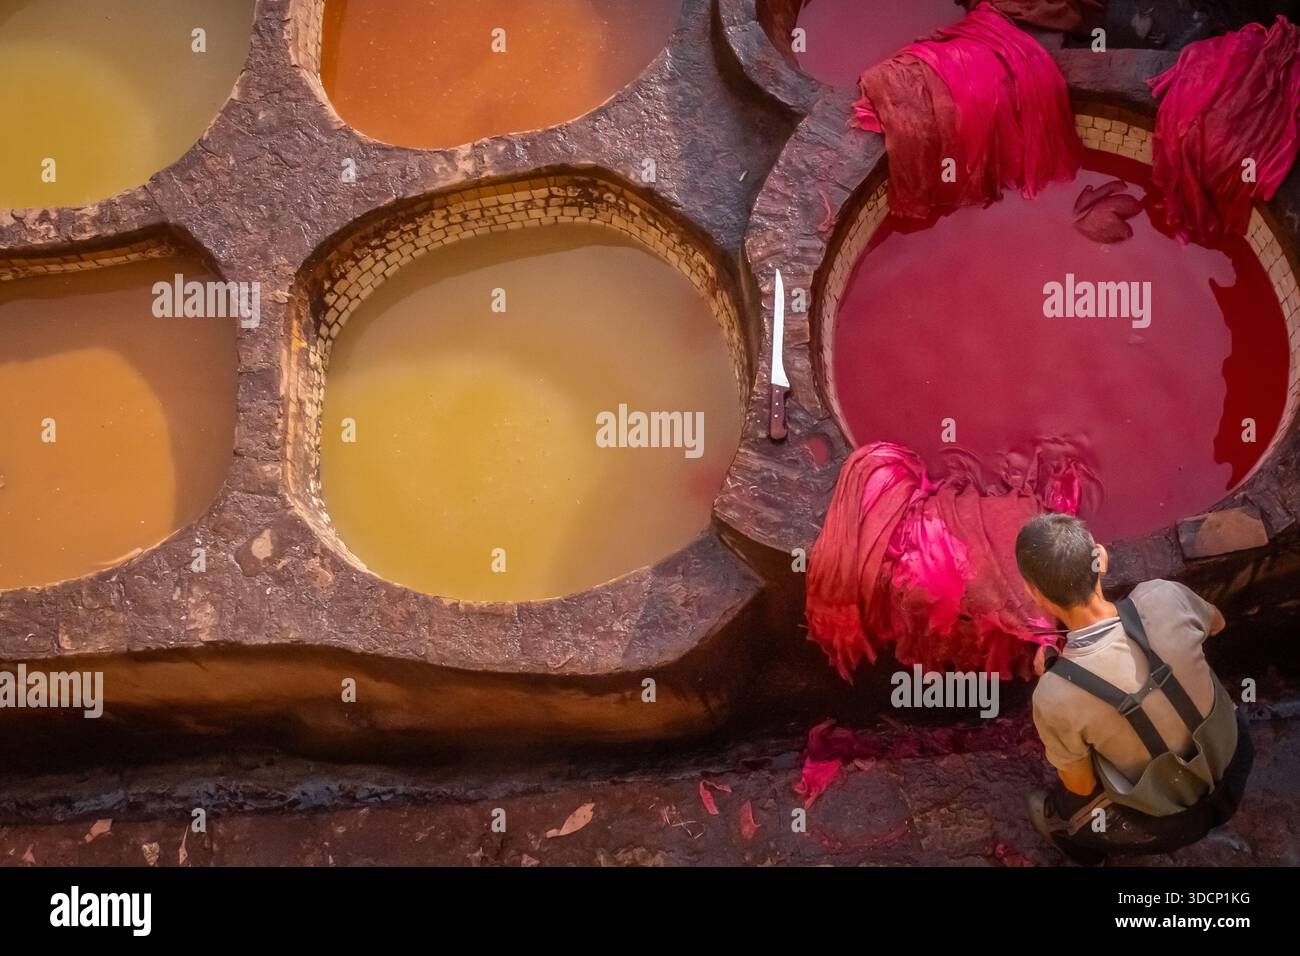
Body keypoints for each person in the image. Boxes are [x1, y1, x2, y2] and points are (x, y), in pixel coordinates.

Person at [1014, 513, 1253, 864]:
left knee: (1059, 809)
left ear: (1033, 593)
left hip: (1171, 824)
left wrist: (1056, 675)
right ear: (1101, 557)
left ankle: (1082, 849)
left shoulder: (1053, 697)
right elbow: (1216, 624)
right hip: (1237, 758)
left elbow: (1081, 786)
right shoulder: (1165, 595)